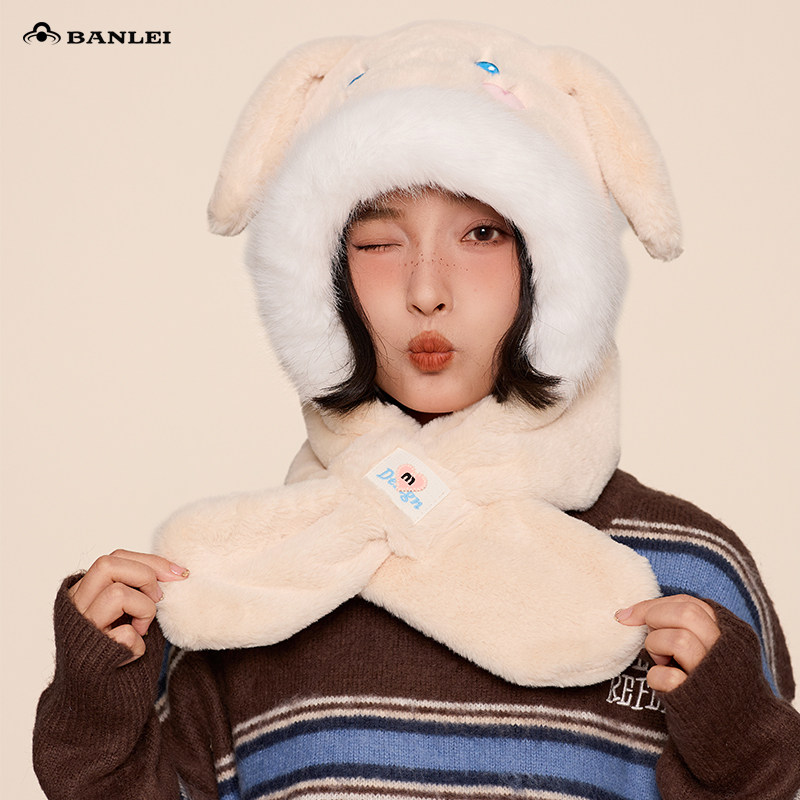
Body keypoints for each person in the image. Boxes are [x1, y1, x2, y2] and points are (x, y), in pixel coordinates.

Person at [33, 21, 800, 800]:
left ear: (557, 265)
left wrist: (740, 742)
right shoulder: (245, 585)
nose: (427, 290)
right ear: (320, 278)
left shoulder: (685, 570)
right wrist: (99, 710)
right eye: (378, 242)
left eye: (482, 233)